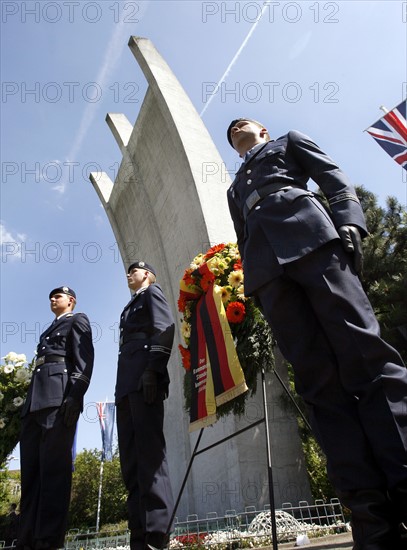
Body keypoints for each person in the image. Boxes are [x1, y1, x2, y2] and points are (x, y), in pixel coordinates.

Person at [226, 118, 407, 549]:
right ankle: (369, 518)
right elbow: (241, 233)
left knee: (366, 357)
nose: (235, 128)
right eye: (230, 130)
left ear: (264, 131)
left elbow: (331, 176)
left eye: (244, 124)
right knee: (316, 383)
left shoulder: (288, 142)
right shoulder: (234, 188)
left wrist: (349, 220)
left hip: (313, 238)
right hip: (268, 272)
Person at [17, 286, 94, 550]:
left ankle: (48, 539)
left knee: (53, 472)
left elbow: (84, 360)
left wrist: (75, 395)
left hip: (58, 400)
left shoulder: (78, 320)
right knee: (31, 474)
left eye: (58, 296)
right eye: (50, 296)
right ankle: (26, 537)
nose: (52, 299)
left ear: (71, 300)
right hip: (34, 404)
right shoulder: (46, 331)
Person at [115, 261, 175, 550]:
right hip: (126, 386)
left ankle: (156, 533)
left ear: (148, 275)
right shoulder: (128, 307)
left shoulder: (153, 293)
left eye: (134, 271)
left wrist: (153, 370)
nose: (129, 275)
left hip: (144, 379)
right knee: (131, 461)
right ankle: (138, 533)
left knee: (150, 457)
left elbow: (164, 329)